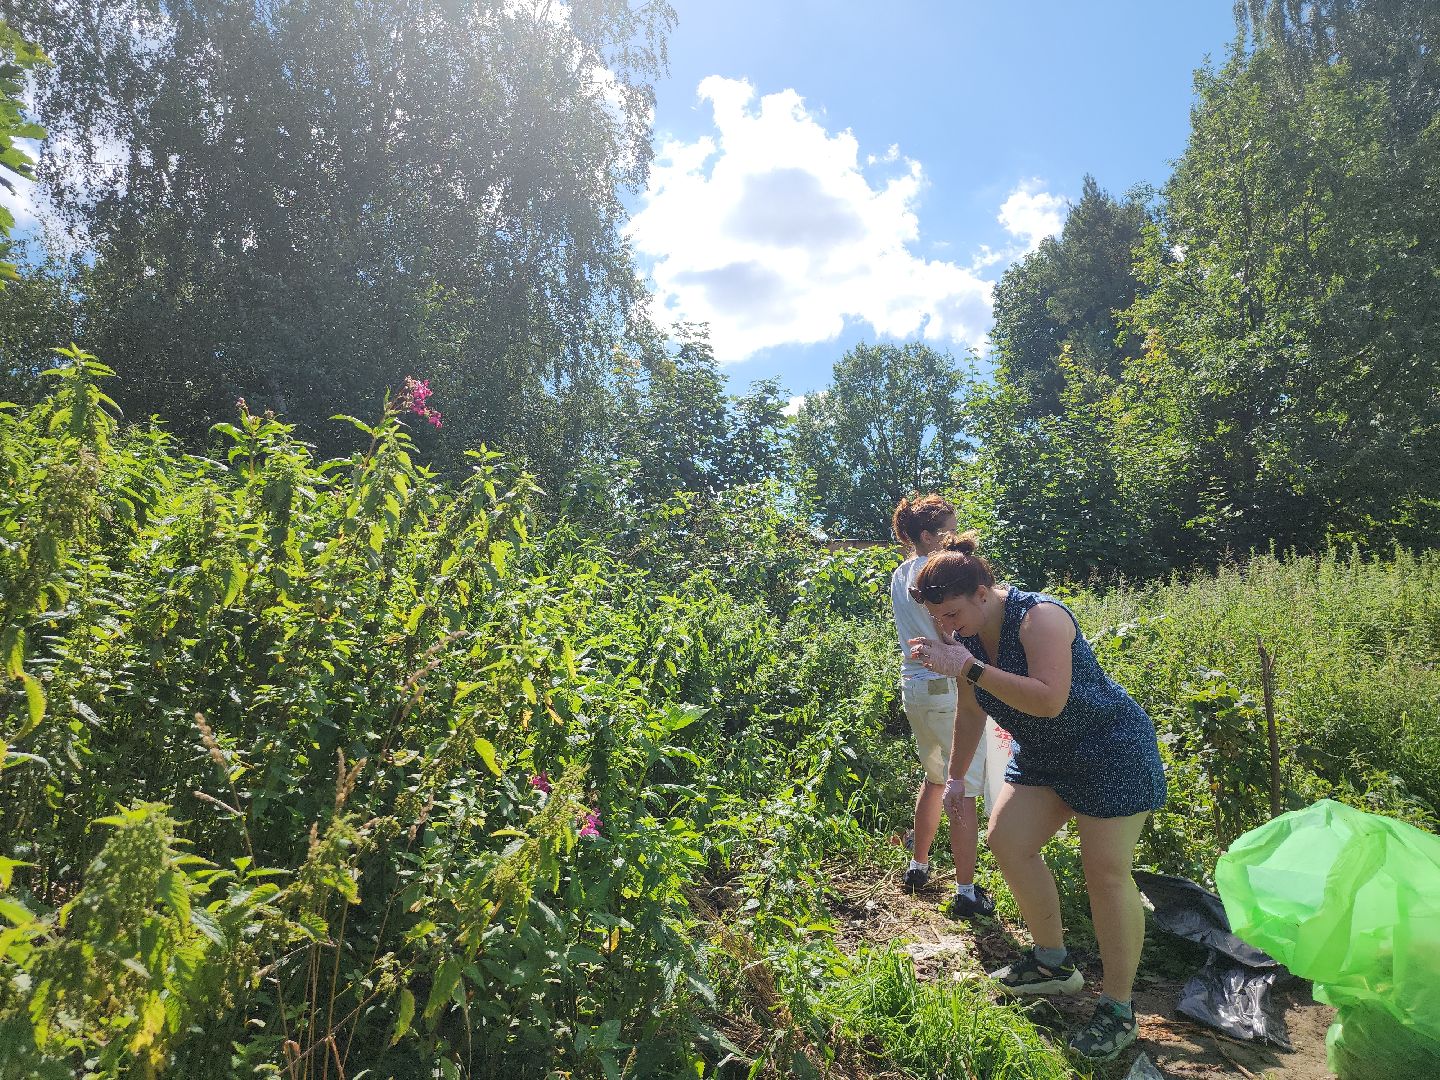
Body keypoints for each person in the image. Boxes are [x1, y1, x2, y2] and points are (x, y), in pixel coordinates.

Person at [907, 531, 1167, 1063]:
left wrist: (968, 667)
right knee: (1007, 841)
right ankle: (1054, 964)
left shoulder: (1041, 618)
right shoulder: (969, 639)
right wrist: (956, 780)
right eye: (937, 618)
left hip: (1109, 751)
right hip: (1047, 756)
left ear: (983, 590)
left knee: (1106, 873)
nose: (945, 627)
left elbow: (1049, 700)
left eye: (952, 613)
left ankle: (1118, 1009)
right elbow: (972, 711)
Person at [888, 496, 994, 920]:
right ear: (928, 536)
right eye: (950, 530)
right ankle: (966, 892)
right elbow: (948, 633)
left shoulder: (900, 573)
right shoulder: (933, 577)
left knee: (935, 779)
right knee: (962, 787)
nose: (955, 539)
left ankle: (918, 866)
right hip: (947, 688)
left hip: (914, 686)